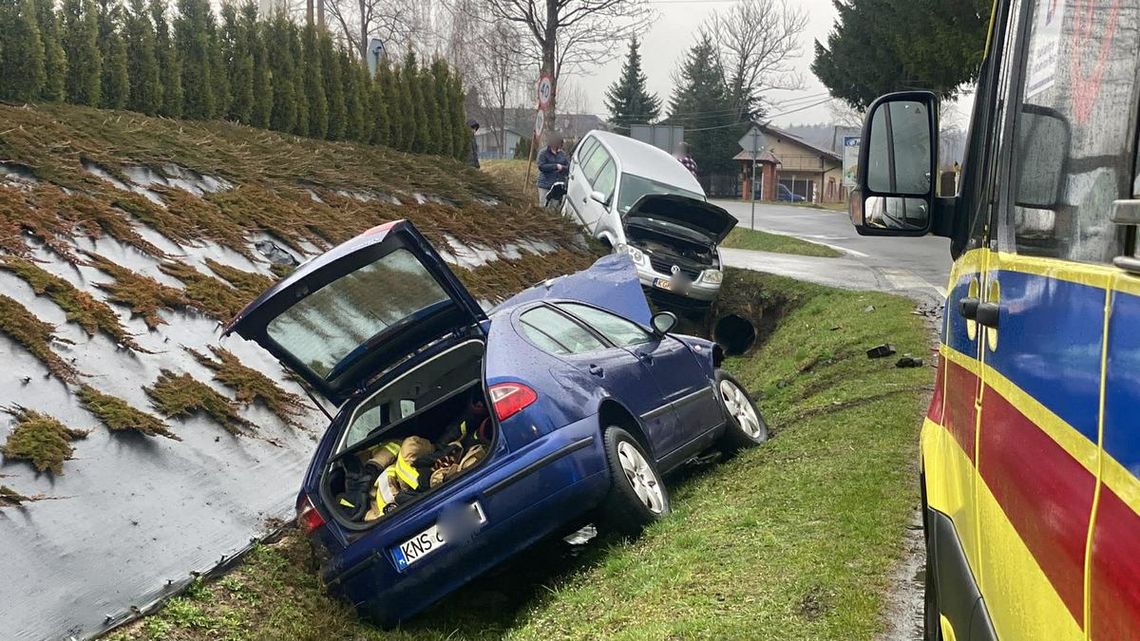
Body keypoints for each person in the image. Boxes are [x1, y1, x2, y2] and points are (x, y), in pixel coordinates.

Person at [536, 133, 569, 206]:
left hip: (558, 186)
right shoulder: (543, 153)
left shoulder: (563, 154)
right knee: (544, 205)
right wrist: (555, 166)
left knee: (554, 207)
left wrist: (562, 168)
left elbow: (568, 167)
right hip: (545, 185)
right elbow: (541, 166)